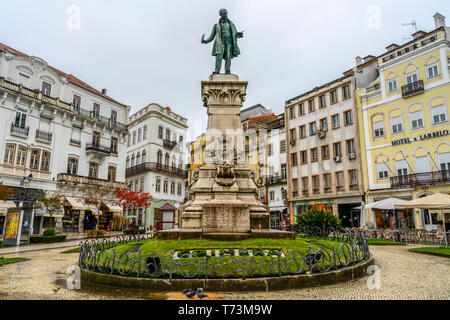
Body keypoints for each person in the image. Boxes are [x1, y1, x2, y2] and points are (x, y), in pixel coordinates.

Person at [201, 8, 244, 74]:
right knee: (219, 56)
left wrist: (239, 34)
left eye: (226, 13)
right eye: (224, 13)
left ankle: (227, 70)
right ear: (220, 15)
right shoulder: (216, 26)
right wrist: (205, 41)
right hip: (220, 43)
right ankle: (217, 70)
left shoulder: (231, 25)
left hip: (229, 42)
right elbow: (212, 36)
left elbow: (234, 34)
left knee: (228, 56)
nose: (226, 14)